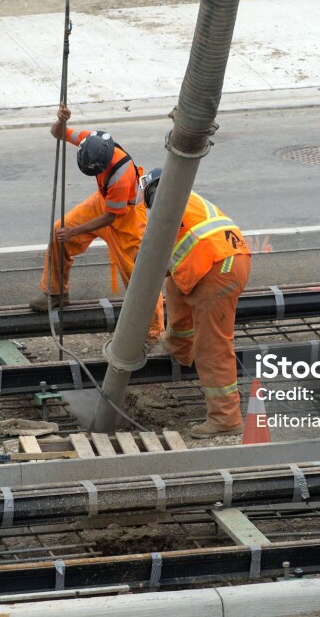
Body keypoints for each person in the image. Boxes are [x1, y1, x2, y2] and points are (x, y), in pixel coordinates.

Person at [31, 103, 164, 342]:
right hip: (103, 203)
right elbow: (57, 133)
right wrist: (62, 120)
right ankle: (56, 292)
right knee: (57, 232)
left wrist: (74, 232)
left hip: (127, 219)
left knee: (140, 277)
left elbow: (110, 218)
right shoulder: (90, 140)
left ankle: (153, 334)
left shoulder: (121, 177)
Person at [139, 168, 251, 439]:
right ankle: (179, 346)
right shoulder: (186, 202)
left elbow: (156, 257)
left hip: (219, 268)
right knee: (175, 285)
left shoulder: (170, 207)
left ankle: (225, 418)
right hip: (221, 260)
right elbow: (167, 260)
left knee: (211, 346)